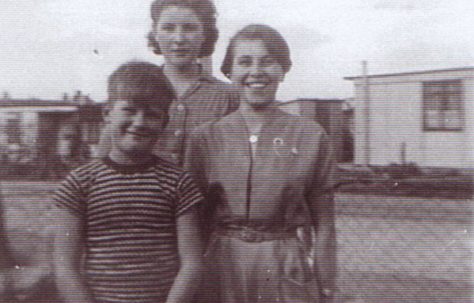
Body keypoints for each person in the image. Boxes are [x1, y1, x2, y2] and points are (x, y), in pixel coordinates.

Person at [185, 24, 337, 302]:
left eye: (268, 61)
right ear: (229, 71)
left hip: (285, 261)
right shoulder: (205, 137)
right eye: (244, 62)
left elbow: (324, 223)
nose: (256, 71)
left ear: (283, 69)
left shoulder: (311, 136)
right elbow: (194, 221)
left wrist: (327, 286)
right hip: (221, 263)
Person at [52, 61, 204, 303]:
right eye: (129, 110)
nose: (140, 122)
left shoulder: (178, 182)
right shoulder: (79, 184)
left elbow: (192, 264)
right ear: (107, 114)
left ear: (164, 123)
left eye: (152, 114)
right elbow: (65, 268)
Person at [98, 0, 239, 165]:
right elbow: (104, 161)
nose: (179, 38)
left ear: (205, 34)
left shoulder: (229, 97)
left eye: (189, 28)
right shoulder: (133, 88)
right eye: (168, 28)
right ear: (155, 33)